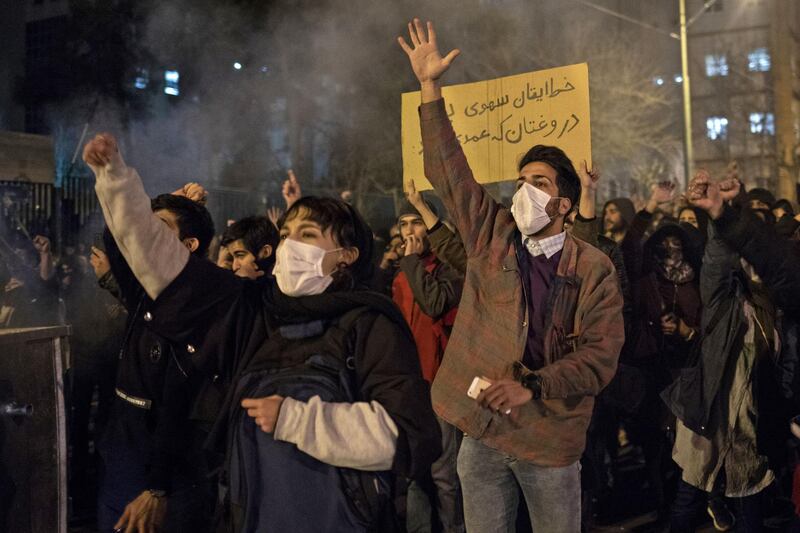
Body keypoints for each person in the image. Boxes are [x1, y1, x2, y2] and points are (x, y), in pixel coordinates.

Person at [83, 133, 441, 532]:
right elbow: (164, 267)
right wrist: (114, 178)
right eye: (285, 235)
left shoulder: (369, 323)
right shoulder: (251, 309)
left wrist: (298, 420)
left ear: (347, 256)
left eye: (307, 235)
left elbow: (407, 437)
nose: (290, 246)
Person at [398, 19, 624, 532]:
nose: (525, 192)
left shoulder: (593, 269)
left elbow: (599, 358)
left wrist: (534, 385)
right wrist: (430, 89)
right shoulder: (491, 236)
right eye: (521, 181)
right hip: (482, 434)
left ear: (564, 204)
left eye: (539, 183)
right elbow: (449, 171)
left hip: (549, 443)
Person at [86, 175, 220, 532]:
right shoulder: (144, 290)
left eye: (159, 229)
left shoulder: (198, 308)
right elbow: (115, 242)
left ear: (189, 245)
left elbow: (179, 404)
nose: (145, 235)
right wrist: (145, 210)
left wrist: (157, 487)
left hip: (164, 469)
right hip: (122, 453)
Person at [664, 172, 786, 532]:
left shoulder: (777, 307)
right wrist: (721, 213)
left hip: (750, 427)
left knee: (750, 510)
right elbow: (717, 257)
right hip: (710, 420)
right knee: (688, 501)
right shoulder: (723, 299)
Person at [389, 186, 465, 533]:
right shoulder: (402, 273)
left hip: (440, 381)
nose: (409, 231)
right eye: (404, 223)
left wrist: (411, 263)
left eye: (416, 222)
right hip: (410, 381)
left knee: (444, 473)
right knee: (415, 469)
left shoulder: (449, 270)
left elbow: (434, 303)